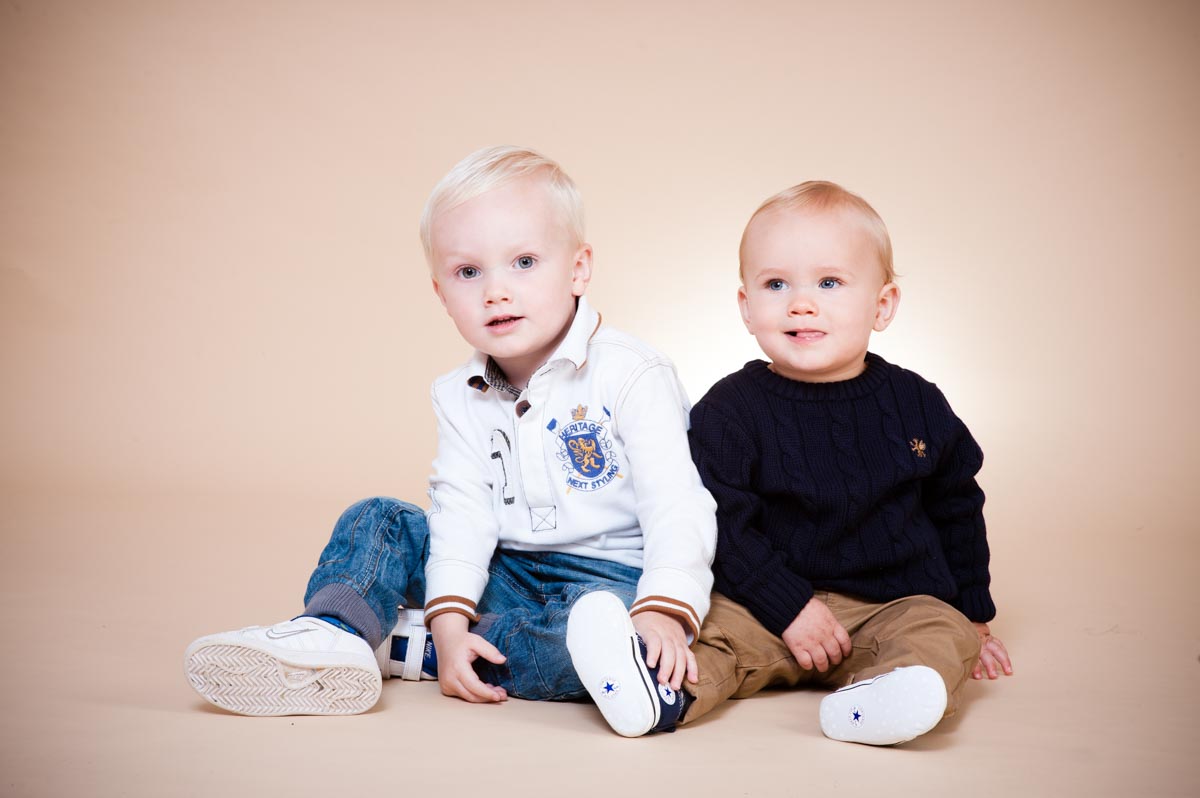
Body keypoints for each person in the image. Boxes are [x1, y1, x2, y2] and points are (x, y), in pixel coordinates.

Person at [184, 146, 716, 738]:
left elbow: (676, 503)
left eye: (524, 262)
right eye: (469, 272)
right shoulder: (456, 393)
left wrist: (663, 609)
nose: (496, 291)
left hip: (609, 581)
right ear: (441, 293)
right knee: (380, 519)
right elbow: (463, 509)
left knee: (603, 639)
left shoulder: (632, 373)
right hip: (505, 570)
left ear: (578, 269)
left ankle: (411, 648)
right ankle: (333, 631)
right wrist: (450, 613)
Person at [679, 180, 1013, 745]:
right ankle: (660, 693)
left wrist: (973, 612)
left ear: (882, 306)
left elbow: (957, 505)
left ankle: (876, 705)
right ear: (745, 306)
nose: (801, 302)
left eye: (829, 282)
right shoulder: (729, 410)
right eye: (775, 284)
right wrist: (787, 605)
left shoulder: (917, 402)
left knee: (938, 633)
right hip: (767, 606)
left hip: (892, 604)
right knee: (705, 633)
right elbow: (720, 523)